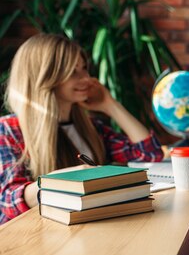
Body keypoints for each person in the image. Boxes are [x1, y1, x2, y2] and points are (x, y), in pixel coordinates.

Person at [0, 33, 164, 224]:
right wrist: (59, 182)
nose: (86, 78)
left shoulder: (90, 127)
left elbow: (149, 155)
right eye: (73, 71)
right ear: (44, 77)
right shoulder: (8, 129)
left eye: (84, 69)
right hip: (35, 238)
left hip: (90, 226)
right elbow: (8, 201)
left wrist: (110, 105)